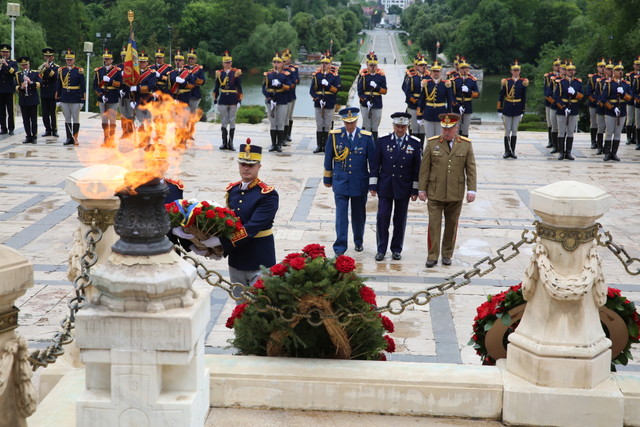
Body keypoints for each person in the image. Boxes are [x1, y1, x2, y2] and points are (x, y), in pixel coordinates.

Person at [418, 113, 476, 268]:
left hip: (455, 193)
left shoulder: (465, 144)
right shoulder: (432, 144)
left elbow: (470, 169)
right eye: (444, 128)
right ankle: (432, 255)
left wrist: (472, 190)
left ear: (456, 128)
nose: (446, 131)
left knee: (451, 225)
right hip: (435, 192)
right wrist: (421, 189)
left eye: (449, 129)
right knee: (434, 225)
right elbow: (424, 169)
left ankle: (447, 254)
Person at [369, 112, 421, 261]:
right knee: (382, 217)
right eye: (397, 126)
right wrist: (373, 184)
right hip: (386, 186)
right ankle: (381, 249)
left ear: (407, 126)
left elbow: (417, 168)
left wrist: (414, 189)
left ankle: (396, 249)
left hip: (403, 187)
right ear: (393, 126)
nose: (400, 129)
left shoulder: (414, 143)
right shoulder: (383, 141)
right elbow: (375, 164)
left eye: (403, 126)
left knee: (400, 220)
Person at [323, 107, 375, 256]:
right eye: (346, 123)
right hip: (340, 181)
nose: (349, 126)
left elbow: (372, 162)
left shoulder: (366, 137)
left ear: (357, 120)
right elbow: (328, 158)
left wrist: (372, 183)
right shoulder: (335, 136)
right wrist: (328, 178)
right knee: (341, 215)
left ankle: (358, 241)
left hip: (359, 182)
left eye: (352, 123)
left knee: (359, 215)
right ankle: (340, 246)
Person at [599, 61, 633, 161]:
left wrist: (623, 94)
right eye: (618, 70)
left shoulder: (626, 84)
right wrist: (612, 108)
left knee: (617, 133)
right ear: (613, 72)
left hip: (621, 111)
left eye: (621, 70)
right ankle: (607, 153)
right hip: (611, 111)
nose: (620, 72)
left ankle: (614, 153)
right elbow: (603, 99)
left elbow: (630, 98)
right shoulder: (609, 84)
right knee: (609, 132)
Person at [309, 52, 341, 153]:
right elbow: (311, 90)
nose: (324, 65)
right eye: (323, 63)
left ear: (330, 64)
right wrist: (317, 99)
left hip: (330, 102)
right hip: (319, 102)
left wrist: (327, 85)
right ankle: (319, 145)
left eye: (326, 63)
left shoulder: (334, 76)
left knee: (327, 125)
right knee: (319, 124)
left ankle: (326, 146)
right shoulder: (317, 76)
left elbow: (336, 90)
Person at [552, 60, 583, 160]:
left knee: (570, 131)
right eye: (569, 70)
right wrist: (563, 107)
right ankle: (561, 152)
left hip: (573, 108)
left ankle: (568, 152)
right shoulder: (561, 82)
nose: (571, 72)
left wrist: (574, 93)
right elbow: (556, 97)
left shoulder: (578, 82)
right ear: (565, 71)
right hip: (562, 109)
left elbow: (581, 96)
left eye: (572, 70)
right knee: (561, 131)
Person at [497, 60, 528, 159]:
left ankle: (512, 151)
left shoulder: (522, 82)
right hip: (508, 107)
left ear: (519, 71)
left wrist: (523, 111)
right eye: (514, 70)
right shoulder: (506, 82)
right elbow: (501, 96)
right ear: (511, 71)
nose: (516, 72)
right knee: (507, 130)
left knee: (514, 130)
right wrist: (499, 110)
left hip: (518, 108)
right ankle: (507, 151)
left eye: (517, 70)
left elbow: (523, 98)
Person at [213, 50, 243, 151]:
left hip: (233, 98)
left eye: (229, 62)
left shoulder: (236, 73)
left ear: (231, 63)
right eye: (225, 62)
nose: (227, 64)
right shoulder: (219, 73)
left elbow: (239, 88)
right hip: (223, 99)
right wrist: (215, 100)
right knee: (224, 121)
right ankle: (224, 142)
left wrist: (239, 100)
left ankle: (231, 143)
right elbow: (216, 88)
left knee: (232, 120)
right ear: (222, 63)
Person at [416, 60, 453, 141]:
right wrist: (419, 115)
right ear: (431, 72)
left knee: (440, 137)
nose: (436, 73)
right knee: (429, 138)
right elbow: (421, 100)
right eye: (434, 71)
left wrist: (448, 114)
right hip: (428, 113)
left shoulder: (445, 84)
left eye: (438, 71)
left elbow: (450, 100)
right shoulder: (426, 83)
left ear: (440, 72)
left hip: (441, 113)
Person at [262, 52, 291, 152]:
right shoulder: (268, 75)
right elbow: (264, 88)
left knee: (280, 122)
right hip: (271, 101)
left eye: (278, 62)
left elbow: (289, 87)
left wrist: (280, 85)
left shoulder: (285, 75)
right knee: (273, 123)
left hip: (282, 100)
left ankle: (279, 144)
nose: (276, 64)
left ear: (282, 64)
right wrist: (268, 98)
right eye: (274, 62)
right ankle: (273, 143)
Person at [93, 49, 122, 147]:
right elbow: (95, 86)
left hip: (113, 96)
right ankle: (106, 138)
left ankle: (112, 140)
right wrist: (101, 95)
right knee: (104, 120)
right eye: (105, 59)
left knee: (112, 119)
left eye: (108, 59)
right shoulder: (99, 71)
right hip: (102, 97)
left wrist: (110, 81)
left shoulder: (117, 71)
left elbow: (120, 84)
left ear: (112, 60)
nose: (106, 60)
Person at [56, 49, 85, 146]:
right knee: (67, 118)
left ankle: (75, 138)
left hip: (75, 97)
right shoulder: (61, 71)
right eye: (67, 59)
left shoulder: (79, 71)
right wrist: (58, 99)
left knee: (76, 119)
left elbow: (83, 86)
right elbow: (59, 85)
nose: (69, 61)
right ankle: (69, 138)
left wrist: (82, 100)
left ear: (74, 60)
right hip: (65, 97)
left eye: (71, 60)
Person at [357, 52, 387, 141]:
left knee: (375, 126)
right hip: (365, 103)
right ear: (367, 64)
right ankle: (366, 143)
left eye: (374, 65)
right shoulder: (363, 75)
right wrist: (366, 101)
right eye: (371, 65)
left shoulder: (381, 75)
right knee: (367, 125)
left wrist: (376, 87)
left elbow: (384, 91)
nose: (373, 67)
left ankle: (374, 144)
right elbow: (360, 91)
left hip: (377, 102)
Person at [168, 50, 195, 149]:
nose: (178, 62)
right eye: (176, 60)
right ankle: (177, 142)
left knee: (183, 123)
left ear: (183, 62)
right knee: (176, 123)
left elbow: (192, 85)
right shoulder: (171, 73)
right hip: (176, 100)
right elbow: (170, 87)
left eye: (180, 60)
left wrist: (183, 82)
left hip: (184, 101)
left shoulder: (188, 73)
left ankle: (182, 142)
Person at [130, 51, 156, 148]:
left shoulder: (151, 73)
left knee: (148, 123)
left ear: (147, 63)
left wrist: (137, 88)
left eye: (144, 62)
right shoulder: (134, 73)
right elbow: (129, 86)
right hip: (138, 101)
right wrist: (131, 100)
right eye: (140, 62)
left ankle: (148, 141)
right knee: (140, 123)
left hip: (148, 101)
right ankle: (142, 140)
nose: (142, 64)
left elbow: (150, 86)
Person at [14, 57, 42, 144]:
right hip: (23, 99)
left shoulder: (34, 73)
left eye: (26, 64)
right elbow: (15, 86)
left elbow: (39, 83)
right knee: (25, 119)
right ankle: (28, 136)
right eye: (23, 65)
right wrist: (21, 87)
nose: (24, 66)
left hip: (33, 98)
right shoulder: (18, 74)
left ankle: (34, 136)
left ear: (29, 64)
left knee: (33, 119)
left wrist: (31, 82)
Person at [402, 53, 428, 145]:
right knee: (414, 127)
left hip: (424, 105)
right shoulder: (412, 76)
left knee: (422, 128)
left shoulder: (428, 77)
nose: (423, 67)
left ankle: (420, 148)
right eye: (420, 65)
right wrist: (411, 99)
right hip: (413, 104)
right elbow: (406, 89)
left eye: (424, 65)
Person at [451, 58, 479, 138]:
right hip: (457, 107)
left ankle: (464, 148)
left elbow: (477, 95)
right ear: (459, 69)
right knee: (455, 129)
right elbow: (451, 96)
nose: (464, 70)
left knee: (465, 129)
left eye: (466, 68)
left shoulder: (472, 80)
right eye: (462, 68)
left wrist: (469, 91)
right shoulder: (454, 80)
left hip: (467, 106)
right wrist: (457, 106)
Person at [38, 47, 59, 138]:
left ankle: (54, 130)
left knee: (53, 113)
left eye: (50, 56)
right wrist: (43, 68)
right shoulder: (41, 67)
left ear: (53, 57)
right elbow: (39, 77)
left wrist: (49, 69)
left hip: (52, 92)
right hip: (44, 92)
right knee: (45, 113)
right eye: (46, 56)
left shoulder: (56, 67)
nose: (48, 58)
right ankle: (47, 129)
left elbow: (55, 77)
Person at [585, 58, 606, 150]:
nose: (602, 68)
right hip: (594, 104)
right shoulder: (593, 78)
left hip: (605, 104)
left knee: (603, 125)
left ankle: (601, 142)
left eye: (604, 67)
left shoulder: (608, 79)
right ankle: (593, 141)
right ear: (597, 68)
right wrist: (595, 101)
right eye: (601, 67)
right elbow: (588, 92)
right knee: (594, 123)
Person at [186, 48, 205, 139]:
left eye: (192, 58)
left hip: (194, 94)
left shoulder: (199, 69)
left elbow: (202, 81)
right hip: (184, 94)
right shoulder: (184, 67)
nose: (191, 60)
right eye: (189, 58)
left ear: (195, 60)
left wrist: (194, 80)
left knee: (192, 115)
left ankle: (190, 132)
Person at [116, 46, 135, 139]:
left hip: (130, 94)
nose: (124, 57)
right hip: (121, 94)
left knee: (130, 114)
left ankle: (130, 131)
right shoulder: (118, 68)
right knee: (123, 114)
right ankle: (124, 131)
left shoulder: (132, 67)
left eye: (125, 56)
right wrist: (119, 90)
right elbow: (115, 81)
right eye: (123, 56)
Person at [543, 58, 561, 149]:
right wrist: (552, 101)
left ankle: (558, 142)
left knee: (559, 124)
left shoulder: (562, 77)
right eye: (556, 65)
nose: (558, 67)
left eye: (559, 65)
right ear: (553, 66)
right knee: (550, 123)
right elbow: (546, 91)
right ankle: (551, 141)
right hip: (550, 103)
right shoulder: (548, 76)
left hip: (560, 103)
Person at [0, 43, 17, 135]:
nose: (5, 54)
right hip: (0, 90)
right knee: (1, 111)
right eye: (3, 52)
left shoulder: (12, 62)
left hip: (9, 89)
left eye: (6, 52)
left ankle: (11, 128)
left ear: (9, 53)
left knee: (10, 111)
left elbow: (14, 73)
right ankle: (3, 127)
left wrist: (6, 65)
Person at [282, 48, 299, 145]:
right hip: (282, 96)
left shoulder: (293, 68)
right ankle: (283, 134)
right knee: (283, 116)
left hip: (291, 94)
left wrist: (290, 83)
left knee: (289, 116)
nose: (285, 61)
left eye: (286, 59)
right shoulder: (280, 69)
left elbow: (296, 80)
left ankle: (288, 133)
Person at [625, 56, 640, 146]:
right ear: (634, 65)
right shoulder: (629, 76)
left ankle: (635, 138)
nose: (638, 66)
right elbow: (628, 88)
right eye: (637, 64)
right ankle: (628, 138)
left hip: (638, 100)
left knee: (637, 121)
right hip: (630, 99)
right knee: (629, 119)